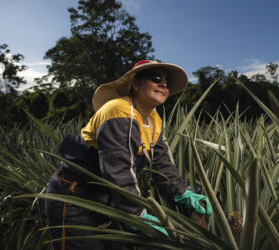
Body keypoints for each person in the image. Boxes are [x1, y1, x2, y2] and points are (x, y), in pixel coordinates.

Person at [45, 60, 212, 250]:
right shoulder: (118, 110)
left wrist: (183, 192)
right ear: (135, 84)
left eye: (166, 81)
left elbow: (159, 161)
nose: (163, 84)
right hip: (74, 191)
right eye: (156, 78)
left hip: (105, 194)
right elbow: (118, 167)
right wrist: (134, 214)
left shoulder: (153, 119)